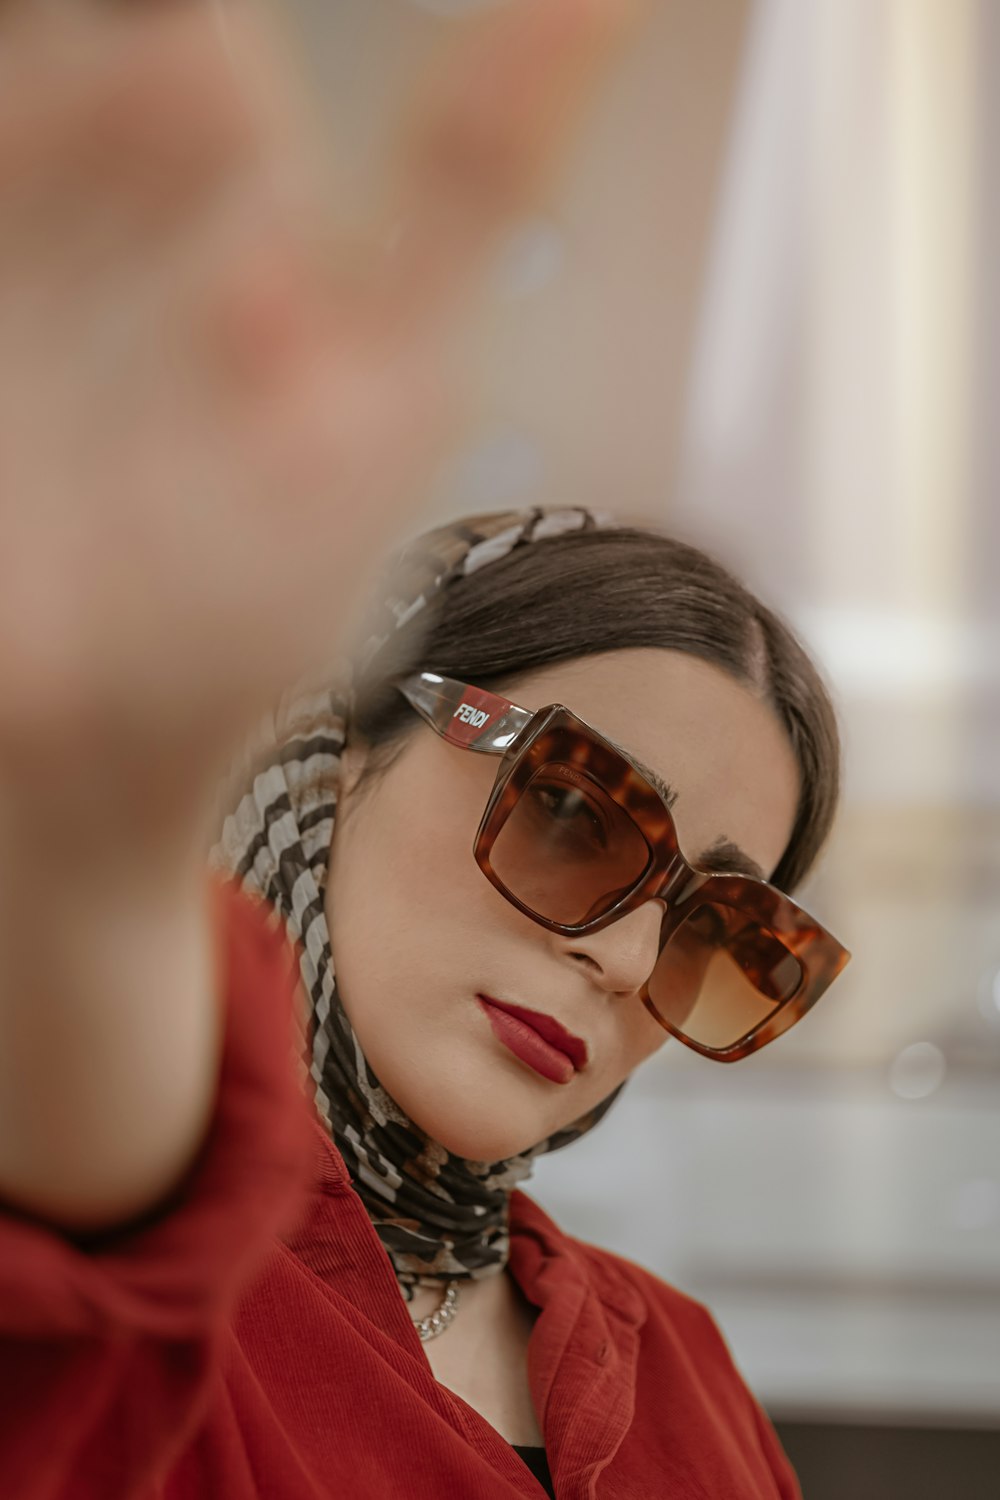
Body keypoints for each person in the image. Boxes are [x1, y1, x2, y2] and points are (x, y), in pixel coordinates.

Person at [0, 4, 850, 1499]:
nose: (622, 961)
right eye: (584, 815)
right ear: (345, 748)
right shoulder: (110, 1253)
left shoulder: (690, 1385)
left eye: (725, 937)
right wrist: (79, 859)